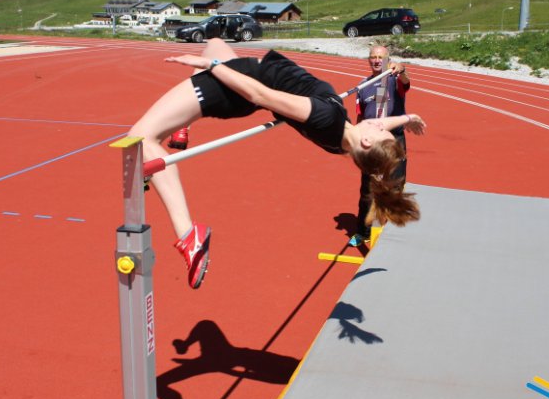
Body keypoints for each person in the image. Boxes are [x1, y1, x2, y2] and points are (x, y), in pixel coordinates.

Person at [128, 38, 426, 289]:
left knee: (139, 138)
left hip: (238, 84)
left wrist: (212, 66)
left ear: (367, 141)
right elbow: (379, 125)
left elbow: (259, 94)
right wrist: (407, 117)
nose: (379, 123)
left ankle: (187, 235)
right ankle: (180, 129)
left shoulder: (325, 116)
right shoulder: (343, 142)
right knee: (215, 42)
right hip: (251, 72)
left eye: (380, 129)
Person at [350, 44, 411, 247]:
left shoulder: (394, 80)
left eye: (381, 57)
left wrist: (400, 68)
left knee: (395, 187)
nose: (377, 60)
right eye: (373, 57)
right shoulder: (363, 85)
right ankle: (363, 232)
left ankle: (393, 234)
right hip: (371, 141)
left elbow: (405, 80)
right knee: (368, 190)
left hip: (393, 140)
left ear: (387, 59)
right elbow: (360, 116)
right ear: (369, 60)